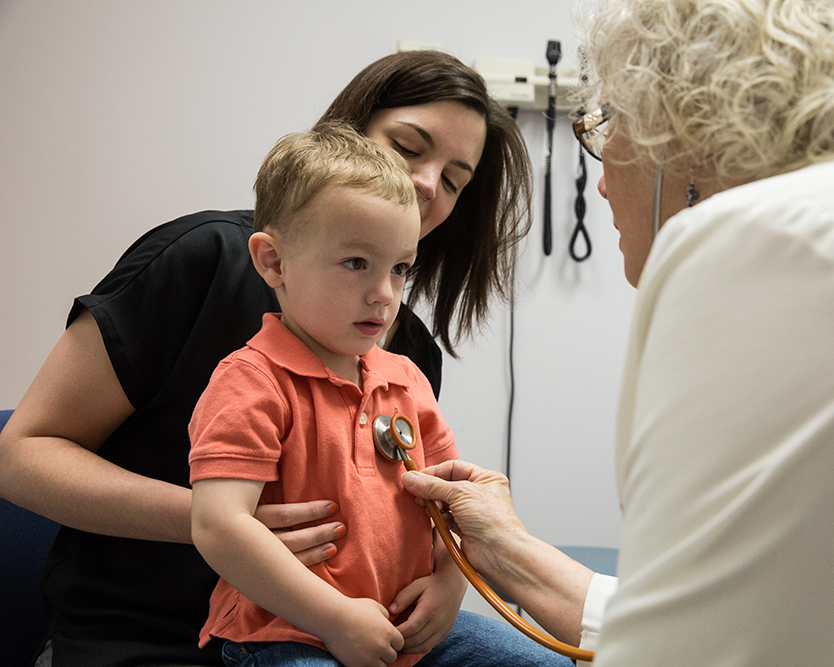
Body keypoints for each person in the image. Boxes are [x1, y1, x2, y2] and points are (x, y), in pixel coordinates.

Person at [400, 0, 834, 665]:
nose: (599, 180)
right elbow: (781, 608)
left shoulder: (775, 243)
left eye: (606, 125)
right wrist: (515, 554)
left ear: (678, 130)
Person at [0, 50, 558, 667]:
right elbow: (20, 457)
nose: (427, 184)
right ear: (347, 139)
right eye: (408, 147)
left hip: (356, 637)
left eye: (454, 179)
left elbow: (427, 504)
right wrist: (222, 520)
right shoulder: (200, 262)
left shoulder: (407, 355)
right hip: (139, 637)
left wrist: (448, 586)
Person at [190, 123, 458, 667]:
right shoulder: (251, 380)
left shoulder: (406, 380)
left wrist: (450, 587)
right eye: (356, 263)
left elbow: (455, 504)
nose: (384, 294)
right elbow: (219, 525)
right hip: (282, 633)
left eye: (400, 268)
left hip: (396, 630)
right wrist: (334, 618)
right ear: (273, 263)